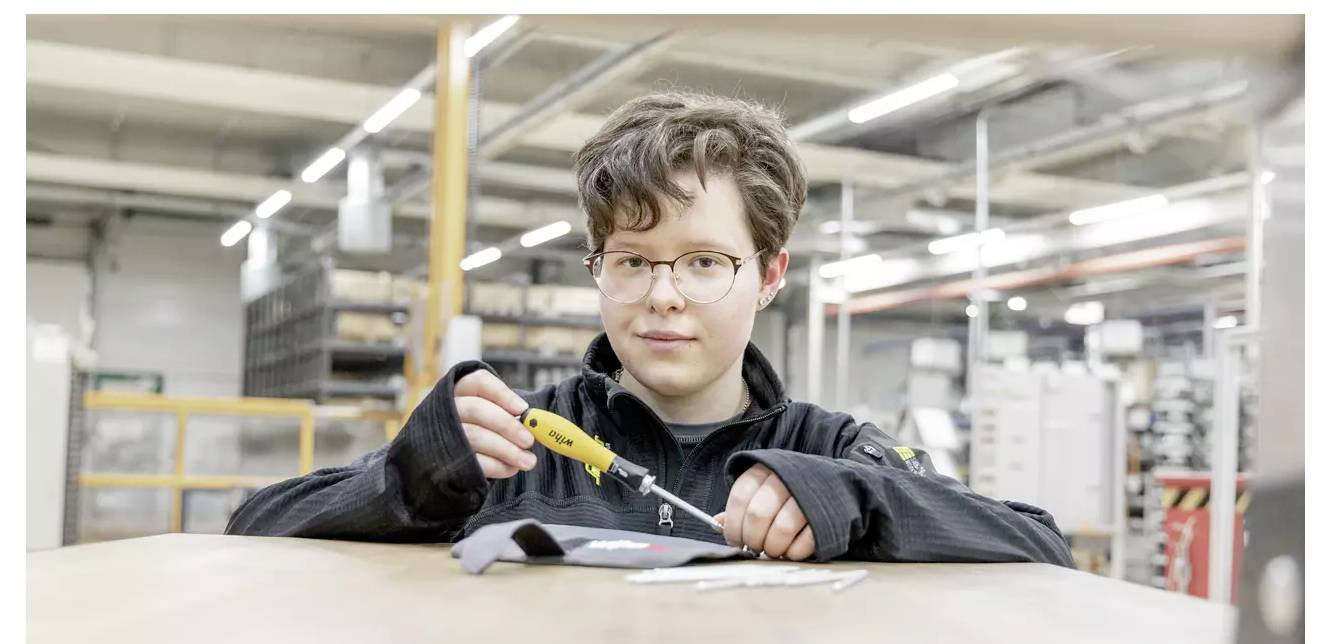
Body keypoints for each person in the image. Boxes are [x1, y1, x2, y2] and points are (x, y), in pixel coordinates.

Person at [226, 91, 1075, 568]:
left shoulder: (831, 452)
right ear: (599, 267)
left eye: (704, 262)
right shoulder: (516, 448)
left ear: (769, 273)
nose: (662, 296)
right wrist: (405, 481)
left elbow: (1040, 542)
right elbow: (254, 524)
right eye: (631, 261)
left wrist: (856, 500)